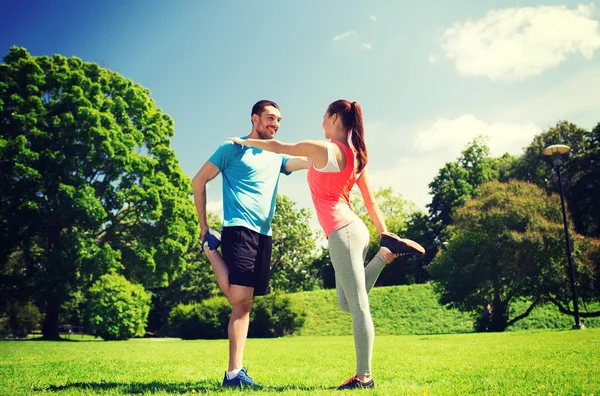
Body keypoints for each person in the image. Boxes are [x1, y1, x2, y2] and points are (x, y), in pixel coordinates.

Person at [229, 99, 425, 390]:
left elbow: (281, 147)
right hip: (352, 231)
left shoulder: (324, 148)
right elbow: (369, 201)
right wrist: (385, 234)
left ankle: (364, 378)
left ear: (334, 118)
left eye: (324, 116)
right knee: (346, 303)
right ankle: (385, 254)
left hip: (343, 231)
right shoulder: (356, 155)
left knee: (359, 307)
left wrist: (241, 141)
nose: (321, 122)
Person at [192, 100, 310, 388]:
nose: (276, 124)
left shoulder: (276, 153)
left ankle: (235, 374)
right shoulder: (232, 148)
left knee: (245, 305)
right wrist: (204, 226)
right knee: (238, 299)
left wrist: (327, 154)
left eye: (279, 120)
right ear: (254, 118)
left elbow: (300, 162)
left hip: (264, 234)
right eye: (270, 118)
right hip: (239, 229)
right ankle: (211, 248)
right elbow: (199, 181)